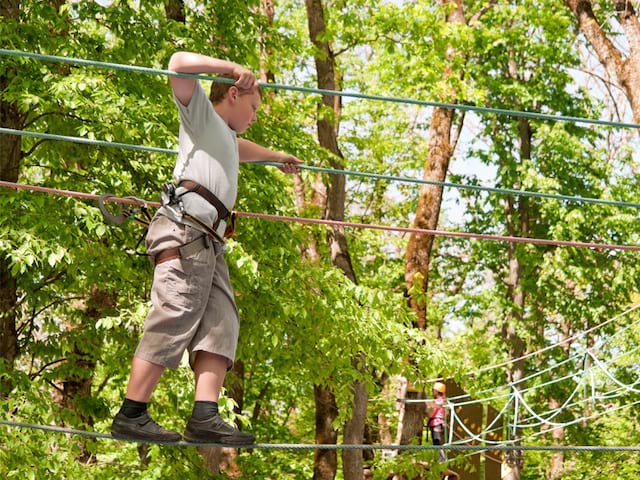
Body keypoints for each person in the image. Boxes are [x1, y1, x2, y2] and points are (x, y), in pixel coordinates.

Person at [110, 51, 302, 445]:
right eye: (253, 107)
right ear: (233, 94)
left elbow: (239, 147)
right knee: (176, 311)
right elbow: (178, 62)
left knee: (221, 321)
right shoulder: (200, 116)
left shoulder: (223, 137)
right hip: (184, 233)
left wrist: (276, 157)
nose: (255, 116)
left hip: (209, 243)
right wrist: (230, 67)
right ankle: (132, 412)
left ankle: (205, 415)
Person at [426, 381, 447, 463]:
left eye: (433, 390)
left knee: (436, 441)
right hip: (440, 423)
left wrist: (426, 412)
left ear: (437, 391)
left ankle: (442, 458)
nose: (432, 392)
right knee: (437, 441)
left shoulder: (437, 402)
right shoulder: (443, 401)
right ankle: (439, 458)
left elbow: (431, 414)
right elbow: (446, 413)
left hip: (436, 423)